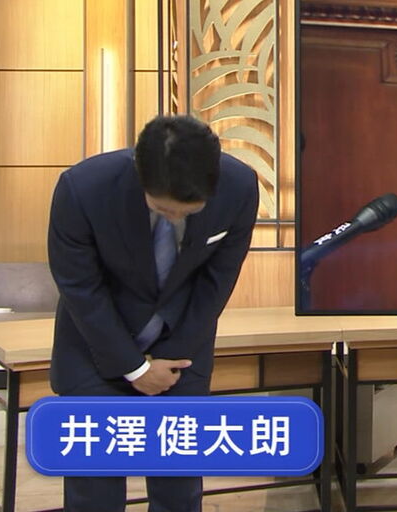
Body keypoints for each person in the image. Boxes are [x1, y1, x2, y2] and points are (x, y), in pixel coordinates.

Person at [47, 115, 259, 512]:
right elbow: (80, 287)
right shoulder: (82, 189)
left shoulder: (239, 187)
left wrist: (169, 362)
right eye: (163, 209)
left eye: (188, 211)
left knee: (179, 490)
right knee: (95, 492)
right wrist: (135, 368)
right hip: (96, 346)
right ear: (139, 174)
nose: (175, 218)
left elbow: (217, 281)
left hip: (182, 347)